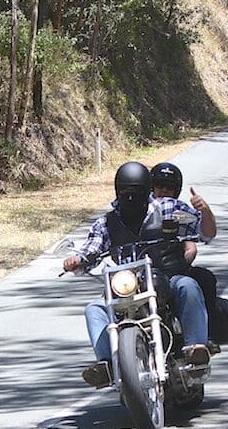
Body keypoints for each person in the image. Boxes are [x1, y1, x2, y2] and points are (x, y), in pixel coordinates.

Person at [63, 161, 211, 388]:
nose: (131, 197)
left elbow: (205, 233)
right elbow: (90, 249)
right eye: (126, 192)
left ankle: (195, 350)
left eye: (137, 192)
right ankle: (107, 364)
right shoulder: (107, 222)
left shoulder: (168, 208)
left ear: (146, 190)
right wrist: (77, 261)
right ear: (118, 191)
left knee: (188, 285)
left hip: (166, 277)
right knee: (95, 308)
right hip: (126, 286)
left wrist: (205, 212)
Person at [150, 162, 219, 340]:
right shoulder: (136, 212)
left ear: (176, 190)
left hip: (171, 273)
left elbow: (206, 235)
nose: (164, 190)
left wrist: (204, 210)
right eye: (159, 185)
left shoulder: (177, 211)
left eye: (170, 187)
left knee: (201, 280)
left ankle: (203, 339)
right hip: (139, 277)